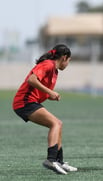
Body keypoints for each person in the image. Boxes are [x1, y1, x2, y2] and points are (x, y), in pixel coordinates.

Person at [12, 44, 77, 175]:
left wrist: (49, 95)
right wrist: (50, 92)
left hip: (30, 102)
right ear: (64, 57)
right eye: (69, 60)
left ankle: (59, 161)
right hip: (24, 102)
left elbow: (40, 88)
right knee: (56, 123)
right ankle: (51, 160)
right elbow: (32, 80)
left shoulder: (55, 71)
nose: (68, 64)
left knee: (58, 124)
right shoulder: (48, 64)